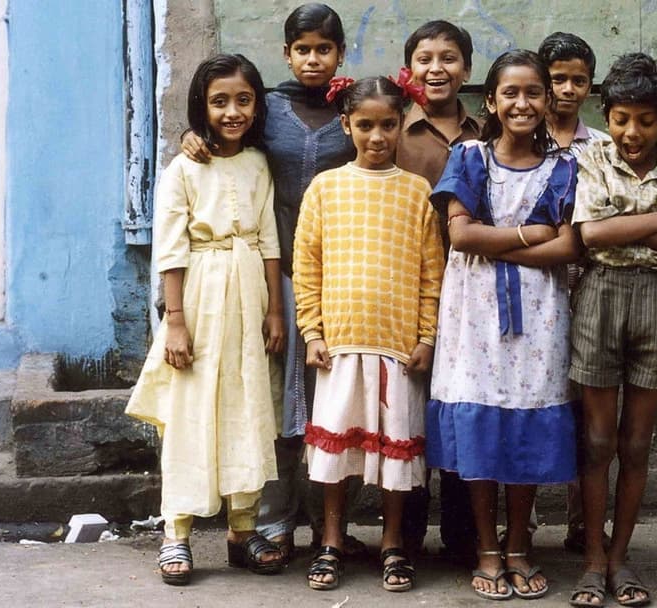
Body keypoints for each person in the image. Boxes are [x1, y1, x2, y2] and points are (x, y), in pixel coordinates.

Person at [180, 3, 359, 562]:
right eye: (302, 48)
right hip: (272, 264)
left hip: (340, 264)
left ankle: (332, 524)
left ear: (339, 54)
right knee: (279, 387)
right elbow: (223, 132)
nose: (313, 59)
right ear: (287, 53)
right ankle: (274, 519)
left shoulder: (352, 108)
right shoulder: (267, 108)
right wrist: (192, 136)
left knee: (337, 390)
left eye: (323, 49)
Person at [424, 49, 579, 601]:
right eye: (510, 93)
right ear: (489, 101)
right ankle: (487, 546)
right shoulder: (469, 158)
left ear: (548, 100)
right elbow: (461, 236)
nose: (522, 103)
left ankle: (519, 543)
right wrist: (528, 236)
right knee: (483, 420)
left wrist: (509, 242)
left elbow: (569, 244)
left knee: (527, 422)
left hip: (540, 313)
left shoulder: (563, 168)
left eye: (533, 92)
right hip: (475, 313)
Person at [126, 53, 285, 585]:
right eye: (219, 102)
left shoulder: (259, 163)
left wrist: (276, 310)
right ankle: (177, 533)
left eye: (243, 100)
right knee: (192, 412)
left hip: (249, 298)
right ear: (202, 106)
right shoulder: (184, 167)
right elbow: (170, 249)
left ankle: (243, 530)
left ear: (257, 104)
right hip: (198, 295)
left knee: (247, 406)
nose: (232, 111)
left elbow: (268, 240)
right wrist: (175, 321)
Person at [293, 74, 444, 593]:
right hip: (340, 344)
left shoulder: (417, 191)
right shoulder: (326, 188)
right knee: (338, 457)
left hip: (398, 346)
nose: (377, 137)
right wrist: (312, 332)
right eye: (365, 126)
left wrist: (426, 337)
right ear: (346, 125)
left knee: (397, 456)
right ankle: (331, 540)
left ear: (402, 124)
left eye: (387, 125)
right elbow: (307, 265)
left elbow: (432, 272)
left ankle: (394, 543)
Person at [569, 52, 657, 607]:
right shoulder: (592, 157)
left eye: (646, 120)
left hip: (655, 298)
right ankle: (593, 558)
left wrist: (623, 227)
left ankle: (622, 557)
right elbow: (591, 236)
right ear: (608, 112)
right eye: (622, 117)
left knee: (637, 443)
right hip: (599, 294)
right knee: (598, 441)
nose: (631, 132)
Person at [396, 19, 483, 560]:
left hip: (474, 290)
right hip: (406, 287)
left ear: (467, 70)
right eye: (425, 58)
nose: (437, 69)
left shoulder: (488, 131)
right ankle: (402, 534)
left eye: (449, 58)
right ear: (410, 70)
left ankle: (460, 532)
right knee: (408, 406)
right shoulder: (391, 129)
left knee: (460, 403)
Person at [535, 30, 611, 555]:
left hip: (587, 290)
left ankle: (583, 520)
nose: (566, 89)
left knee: (585, 408)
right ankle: (524, 517)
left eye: (577, 80)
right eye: (556, 79)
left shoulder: (601, 146)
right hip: (534, 287)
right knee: (531, 401)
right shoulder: (518, 134)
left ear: (590, 86)